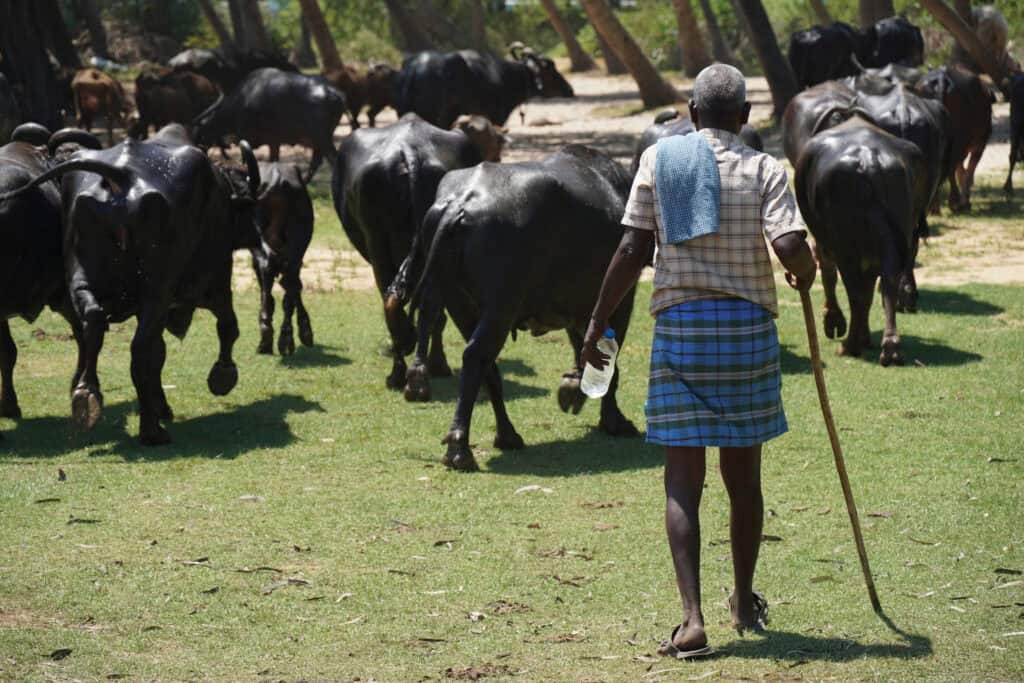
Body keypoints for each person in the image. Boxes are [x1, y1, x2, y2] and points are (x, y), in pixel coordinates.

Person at [582, 64, 816, 658]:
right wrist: (805, 268)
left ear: (689, 111)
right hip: (746, 337)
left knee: (683, 484)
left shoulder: (660, 162)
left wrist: (596, 321)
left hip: (682, 332)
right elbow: (789, 244)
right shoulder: (765, 168)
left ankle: (692, 620)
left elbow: (633, 247)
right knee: (745, 482)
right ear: (743, 117)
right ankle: (741, 596)